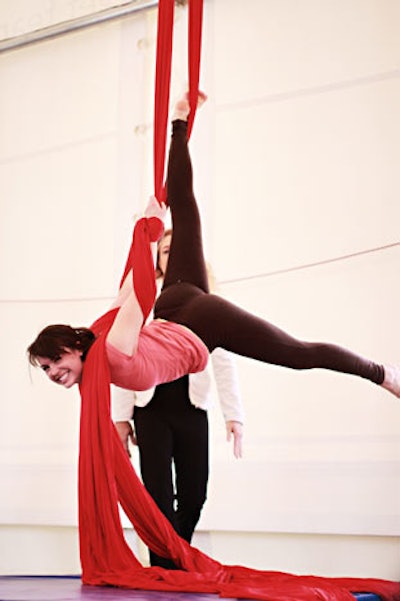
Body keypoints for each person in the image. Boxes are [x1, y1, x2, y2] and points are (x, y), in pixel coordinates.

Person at [27, 93, 400, 410]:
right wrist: (146, 233)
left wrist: (150, 234)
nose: (54, 372)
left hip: (202, 323)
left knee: (300, 354)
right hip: (176, 304)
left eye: (56, 360)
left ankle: (381, 374)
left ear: (76, 347)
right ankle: (179, 121)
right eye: (46, 368)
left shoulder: (111, 350)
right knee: (186, 210)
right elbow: (127, 290)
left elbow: (139, 297)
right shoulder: (99, 333)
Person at [112, 229, 244, 569]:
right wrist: (121, 418)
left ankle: (174, 557)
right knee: (157, 497)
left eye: (179, 249)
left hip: (192, 408)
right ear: (157, 259)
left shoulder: (207, 297)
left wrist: (235, 415)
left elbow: (224, 358)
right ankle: (165, 568)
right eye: (166, 251)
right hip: (151, 408)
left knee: (194, 495)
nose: (173, 256)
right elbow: (124, 353)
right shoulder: (143, 296)